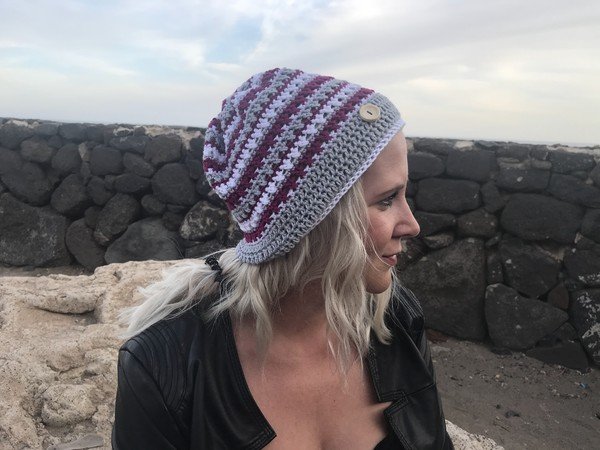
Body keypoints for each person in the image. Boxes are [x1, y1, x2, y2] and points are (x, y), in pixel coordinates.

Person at [112, 68, 454, 449]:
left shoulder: (396, 319)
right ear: (312, 219)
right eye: (387, 200)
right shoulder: (165, 370)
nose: (412, 225)